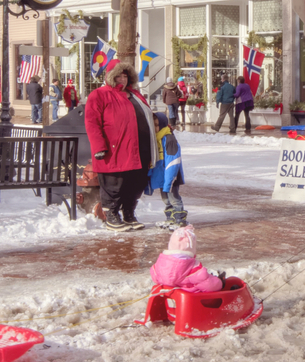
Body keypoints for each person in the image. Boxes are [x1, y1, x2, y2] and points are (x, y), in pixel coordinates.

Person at [84, 61, 151, 230]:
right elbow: (92, 123)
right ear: (111, 76)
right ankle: (111, 215)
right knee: (115, 184)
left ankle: (128, 213)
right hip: (114, 150)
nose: (123, 79)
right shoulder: (99, 95)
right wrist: (99, 146)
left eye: (126, 76)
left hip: (139, 148)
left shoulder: (135, 95)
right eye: (119, 76)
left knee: (136, 183)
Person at [149, 225, 225, 295]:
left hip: (171, 299)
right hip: (191, 301)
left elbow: (154, 276)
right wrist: (220, 282)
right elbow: (210, 285)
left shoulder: (159, 265)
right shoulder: (193, 268)